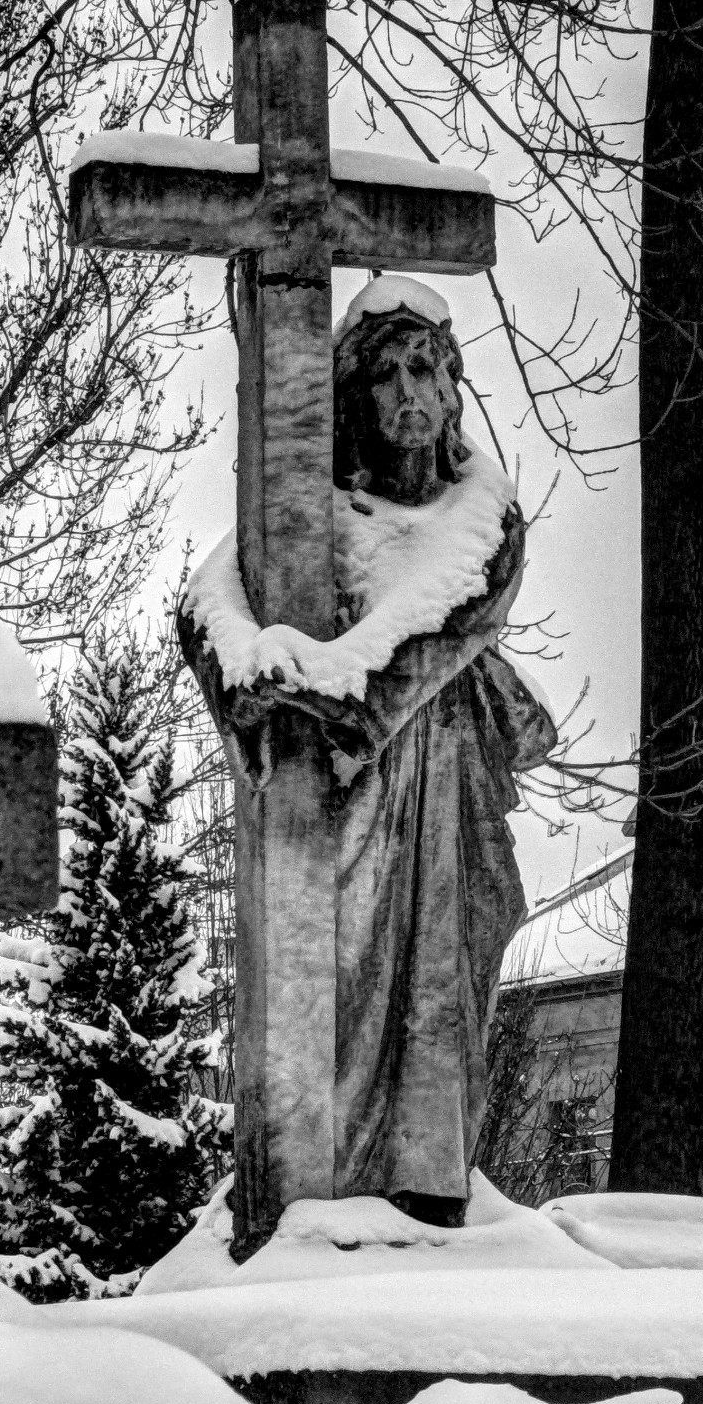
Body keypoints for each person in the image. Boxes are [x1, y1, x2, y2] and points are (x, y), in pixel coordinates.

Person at [179, 276, 555, 1229]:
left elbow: (440, 632)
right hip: (340, 801)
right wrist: (247, 677)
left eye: (423, 368)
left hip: (440, 776)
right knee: (336, 984)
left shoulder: (484, 517)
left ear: (452, 385)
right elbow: (206, 600)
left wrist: (334, 689)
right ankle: (320, 1196)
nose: (406, 393)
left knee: (440, 988)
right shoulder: (317, 512)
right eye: (384, 374)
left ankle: (426, 1188)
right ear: (355, 395)